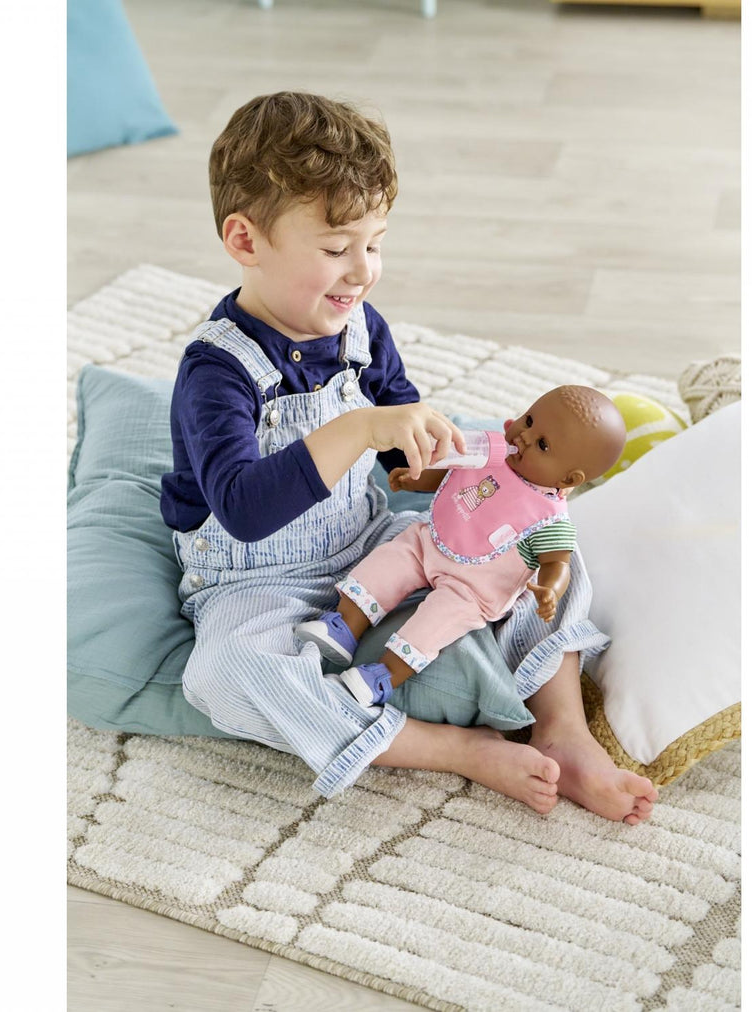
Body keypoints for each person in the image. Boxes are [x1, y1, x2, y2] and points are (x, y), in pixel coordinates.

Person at [161, 91, 657, 823]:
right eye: (336, 249)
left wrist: (471, 472)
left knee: (548, 547)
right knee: (223, 674)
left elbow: (405, 444)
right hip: (253, 580)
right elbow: (244, 510)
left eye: (376, 243)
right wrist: (362, 427)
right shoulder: (216, 373)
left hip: (368, 539)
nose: (362, 271)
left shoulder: (361, 328)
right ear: (245, 240)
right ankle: (450, 749)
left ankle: (563, 728)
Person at [296, 386, 627, 709]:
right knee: (389, 561)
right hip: (431, 543)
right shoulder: (490, 452)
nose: (524, 437)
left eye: (542, 444)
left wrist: (550, 590)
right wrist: (415, 479)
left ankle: (382, 677)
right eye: (529, 420)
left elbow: (559, 563)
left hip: (474, 589)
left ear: (568, 480)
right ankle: (345, 626)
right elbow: (449, 476)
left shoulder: (547, 519)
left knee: (434, 624)